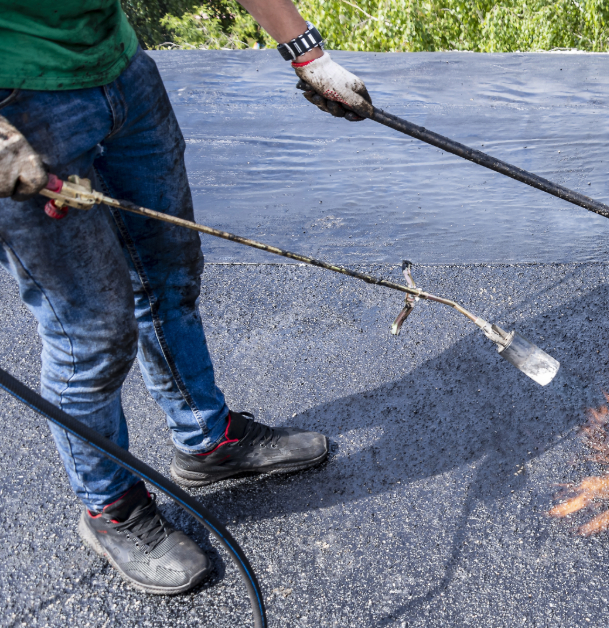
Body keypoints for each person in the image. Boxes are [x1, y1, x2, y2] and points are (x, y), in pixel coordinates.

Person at [0, 0, 372, 595]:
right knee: (91, 332)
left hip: (120, 69)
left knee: (168, 273)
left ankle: (207, 440)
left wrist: (307, 53)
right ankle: (110, 508)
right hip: (16, 106)